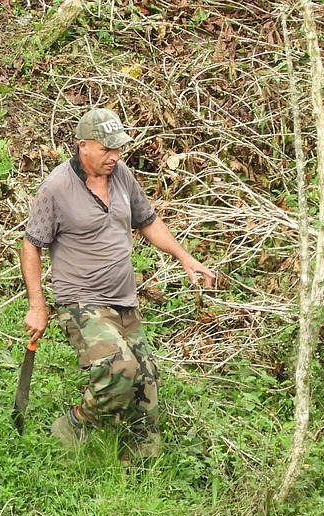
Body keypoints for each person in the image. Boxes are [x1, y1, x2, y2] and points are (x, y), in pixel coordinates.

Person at [20, 108, 215, 460]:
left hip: (124, 300)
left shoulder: (122, 176)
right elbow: (31, 244)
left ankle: (137, 467)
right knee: (119, 369)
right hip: (81, 300)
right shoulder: (57, 187)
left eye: (118, 149)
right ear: (83, 147)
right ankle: (76, 422)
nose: (114, 157)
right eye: (106, 150)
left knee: (146, 381)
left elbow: (148, 221)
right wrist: (37, 306)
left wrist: (185, 257)